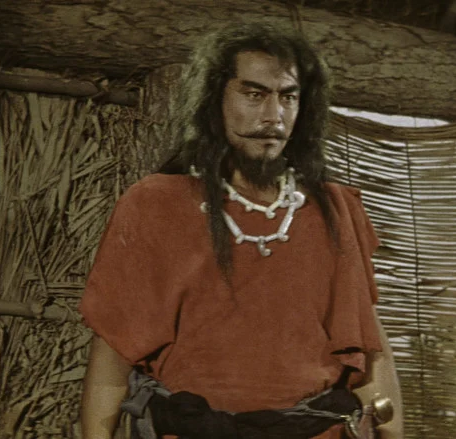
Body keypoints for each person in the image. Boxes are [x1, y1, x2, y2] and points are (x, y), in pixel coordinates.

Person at [79, 21, 403, 439]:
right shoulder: (156, 204)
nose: (273, 116)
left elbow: (371, 354)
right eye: (254, 95)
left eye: (288, 97)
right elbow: (113, 353)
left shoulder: (335, 209)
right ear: (214, 100)